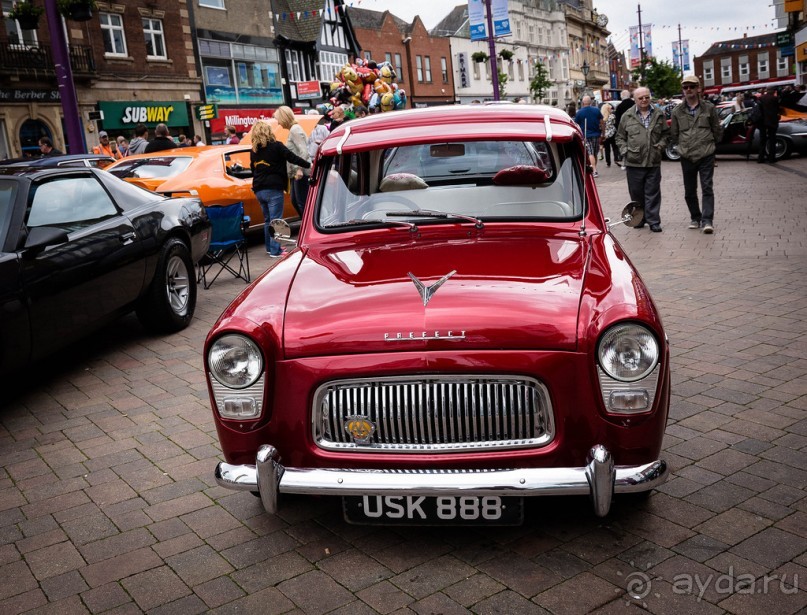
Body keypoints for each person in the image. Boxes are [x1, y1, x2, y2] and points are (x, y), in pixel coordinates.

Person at [249, 120, 311, 258]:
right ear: (269, 132)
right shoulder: (276, 146)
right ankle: (276, 251)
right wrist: (307, 164)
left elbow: (253, 168)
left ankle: (270, 248)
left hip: (259, 188)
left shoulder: (254, 150)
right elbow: (292, 157)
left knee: (267, 220)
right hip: (273, 187)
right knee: (276, 220)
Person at [670, 75, 723, 234]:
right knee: (689, 190)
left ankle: (707, 221)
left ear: (698, 88)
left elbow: (716, 130)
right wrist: (681, 148)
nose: (688, 90)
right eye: (685, 87)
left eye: (692, 87)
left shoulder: (709, 108)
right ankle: (695, 217)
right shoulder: (677, 111)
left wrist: (712, 146)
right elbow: (674, 134)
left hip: (706, 154)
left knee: (707, 187)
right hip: (687, 155)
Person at [615, 86, 669, 233]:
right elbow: (620, 137)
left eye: (647, 97)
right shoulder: (627, 116)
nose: (644, 100)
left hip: (653, 160)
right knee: (636, 193)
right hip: (634, 161)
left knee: (653, 192)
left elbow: (666, 134)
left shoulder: (658, 113)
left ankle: (654, 221)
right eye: (641, 98)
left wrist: (661, 146)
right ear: (635, 99)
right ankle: (639, 218)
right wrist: (625, 151)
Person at [273, 106, 311, 217]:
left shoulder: (295, 130)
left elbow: (304, 151)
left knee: (302, 202)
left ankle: (309, 227)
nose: (278, 123)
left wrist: (299, 169)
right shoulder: (293, 130)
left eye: (278, 119)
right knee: (296, 201)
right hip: (296, 173)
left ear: (284, 118)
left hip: (301, 173)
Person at [574, 96, 603, 178]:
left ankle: (593, 170)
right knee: (594, 153)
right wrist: (603, 133)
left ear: (583, 103)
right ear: (590, 102)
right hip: (596, 134)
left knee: (590, 153)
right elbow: (602, 122)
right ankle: (594, 169)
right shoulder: (596, 110)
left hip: (586, 135)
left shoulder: (579, 112)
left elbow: (577, 125)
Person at [757, 87, 780, 164]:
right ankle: (771, 158)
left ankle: (760, 158)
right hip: (772, 122)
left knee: (762, 140)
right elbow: (778, 109)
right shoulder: (774, 98)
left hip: (762, 122)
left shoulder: (761, 98)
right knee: (772, 140)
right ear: (773, 91)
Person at [613, 89, 635, 169]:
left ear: (622, 97)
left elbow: (617, 120)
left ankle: (626, 162)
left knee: (625, 146)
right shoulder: (634, 104)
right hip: (635, 127)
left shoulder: (619, 106)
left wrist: (619, 130)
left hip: (624, 129)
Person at [600, 103, 618, 168]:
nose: (611, 109)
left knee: (607, 150)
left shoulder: (602, 118)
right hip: (612, 133)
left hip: (605, 135)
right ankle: (616, 159)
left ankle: (608, 162)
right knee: (615, 147)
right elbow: (614, 123)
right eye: (610, 108)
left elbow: (600, 126)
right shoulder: (612, 116)